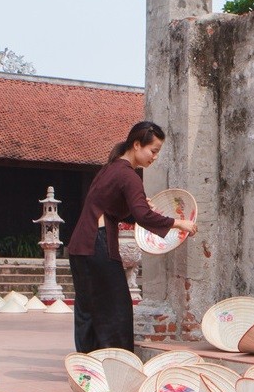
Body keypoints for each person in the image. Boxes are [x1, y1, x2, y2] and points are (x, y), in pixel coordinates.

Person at [67, 121, 199, 352]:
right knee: (116, 310)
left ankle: (87, 364)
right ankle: (118, 364)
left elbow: (114, 210)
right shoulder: (129, 176)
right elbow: (143, 216)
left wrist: (134, 206)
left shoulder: (110, 168)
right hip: (97, 245)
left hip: (80, 246)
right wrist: (180, 223)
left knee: (88, 311)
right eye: (153, 151)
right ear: (137, 145)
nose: (155, 157)